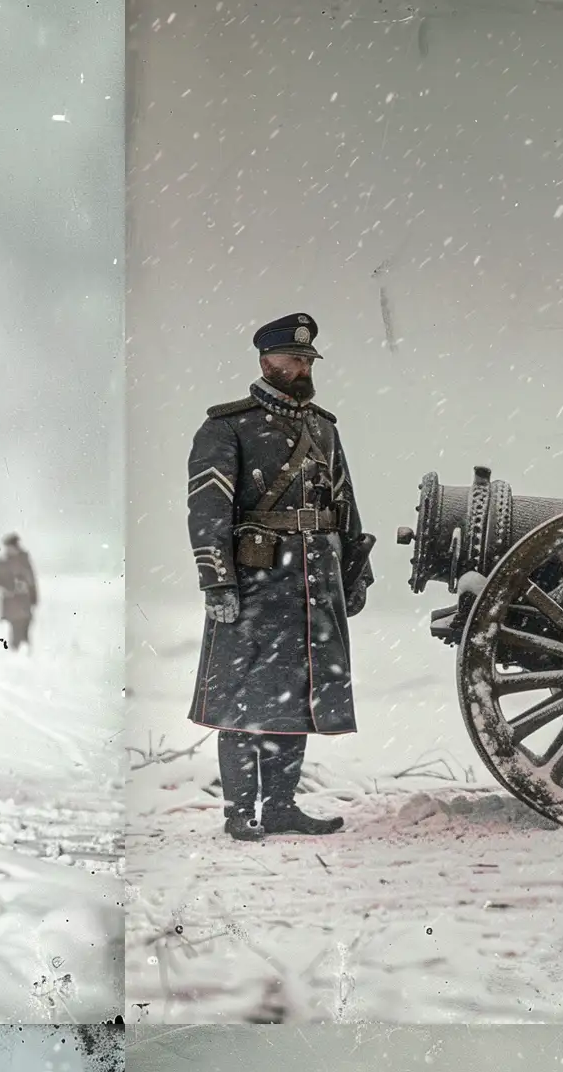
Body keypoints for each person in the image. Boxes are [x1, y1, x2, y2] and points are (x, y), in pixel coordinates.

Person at [185, 313, 376, 840]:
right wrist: (217, 582)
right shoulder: (226, 427)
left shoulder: (324, 428)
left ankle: (283, 807)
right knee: (245, 703)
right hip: (257, 585)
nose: (303, 367)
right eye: (294, 359)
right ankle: (239, 813)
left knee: (297, 697)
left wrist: (356, 573)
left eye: (308, 360)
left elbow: (345, 506)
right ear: (266, 362)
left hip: (315, 586)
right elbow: (207, 513)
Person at [0, 534, 39, 650]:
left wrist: (34, 598)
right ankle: (16, 652)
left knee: (25, 627)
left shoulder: (25, 560)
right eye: (9, 547)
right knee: (15, 627)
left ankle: (24, 653)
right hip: (11, 602)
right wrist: (4, 587)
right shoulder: (1, 562)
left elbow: (32, 581)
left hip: (24, 601)